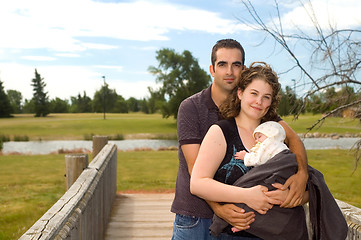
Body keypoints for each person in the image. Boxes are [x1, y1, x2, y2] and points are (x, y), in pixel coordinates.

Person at [190, 62, 348, 239]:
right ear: (240, 93)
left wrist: (290, 197)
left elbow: (303, 189)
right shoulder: (221, 132)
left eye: (266, 97)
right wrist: (248, 195)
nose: (259, 102)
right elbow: (197, 184)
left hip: (280, 233)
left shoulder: (276, 136)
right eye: (254, 93)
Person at [171, 39, 309, 240]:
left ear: (243, 69)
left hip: (244, 221)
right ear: (212, 69)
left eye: (236, 65)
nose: (229, 71)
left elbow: (293, 139)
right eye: (222, 64)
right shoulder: (192, 108)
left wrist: (302, 175)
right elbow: (196, 171)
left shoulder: (261, 112)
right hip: (196, 214)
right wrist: (221, 208)